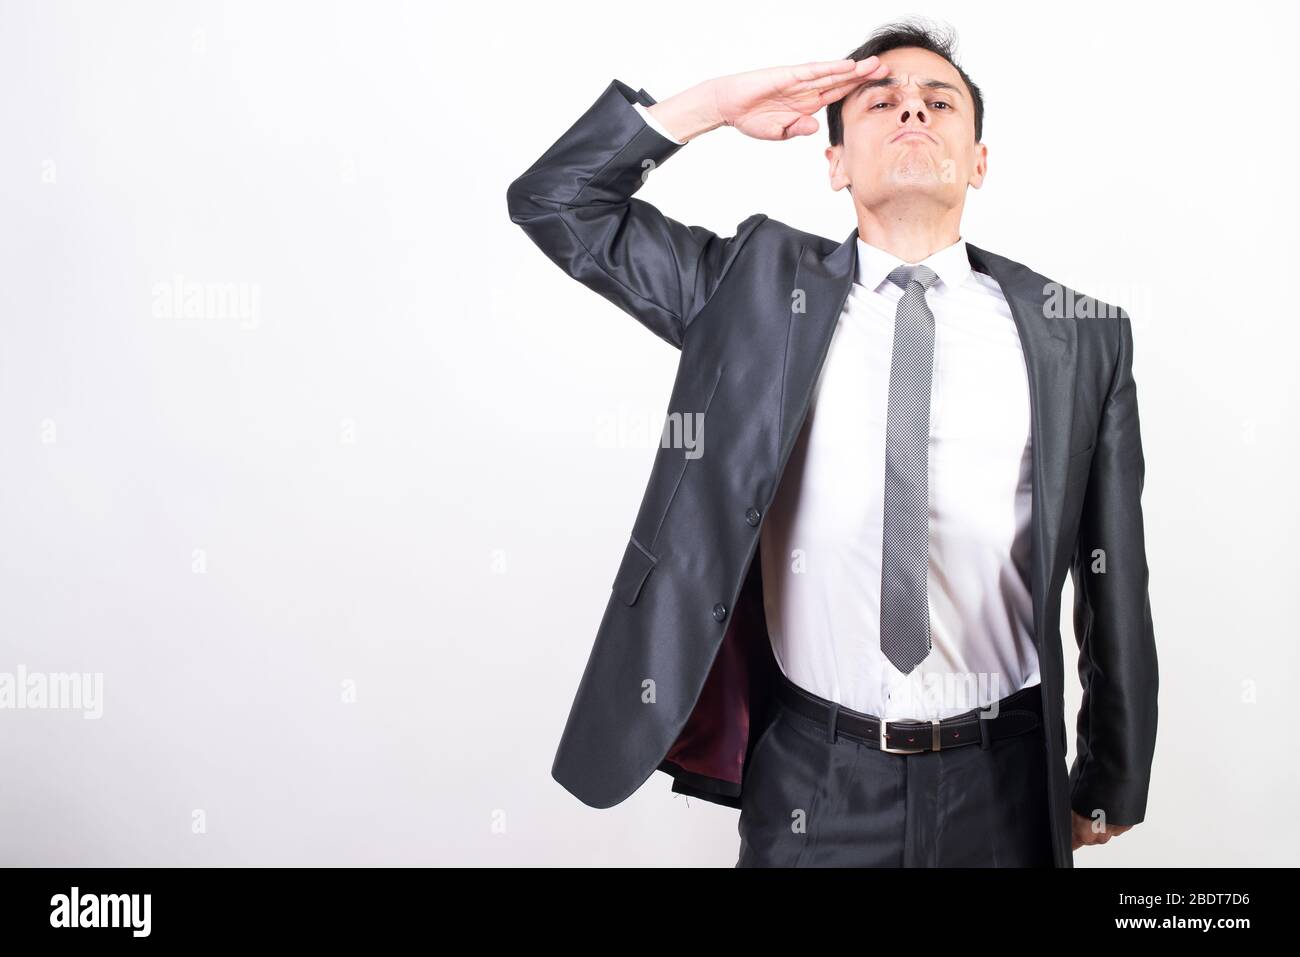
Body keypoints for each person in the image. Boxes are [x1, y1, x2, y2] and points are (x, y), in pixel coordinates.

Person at [506, 19, 1157, 867]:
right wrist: (713, 105)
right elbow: (557, 201)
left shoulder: (1080, 337)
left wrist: (1112, 772)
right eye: (880, 102)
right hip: (814, 781)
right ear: (836, 162)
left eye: (939, 102)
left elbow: (1115, 578)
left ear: (980, 160)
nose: (912, 114)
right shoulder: (752, 289)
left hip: (1005, 787)